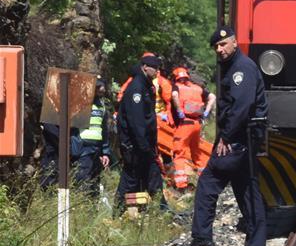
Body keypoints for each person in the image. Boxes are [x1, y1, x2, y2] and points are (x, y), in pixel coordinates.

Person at [190, 26, 268, 246]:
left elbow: (241, 107)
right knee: (248, 191)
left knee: (208, 182)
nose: (220, 50)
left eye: (223, 45)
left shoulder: (241, 69)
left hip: (236, 139)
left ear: (235, 43)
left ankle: (202, 238)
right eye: (216, 46)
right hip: (244, 139)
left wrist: (225, 136)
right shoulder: (237, 66)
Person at [115, 54, 166, 210]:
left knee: (150, 176)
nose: (157, 71)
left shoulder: (145, 85)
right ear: (145, 67)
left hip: (143, 144)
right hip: (135, 145)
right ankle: (118, 211)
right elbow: (137, 122)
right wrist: (144, 146)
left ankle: (159, 209)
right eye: (155, 68)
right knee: (131, 179)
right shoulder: (137, 88)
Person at [171, 66, 216, 190]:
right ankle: (206, 180)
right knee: (197, 153)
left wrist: (179, 111)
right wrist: (206, 112)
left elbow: (174, 95)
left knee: (179, 152)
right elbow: (213, 97)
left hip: (185, 123)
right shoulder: (197, 88)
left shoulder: (176, 87)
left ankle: (181, 186)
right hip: (197, 124)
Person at [72, 78, 112, 196]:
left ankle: (92, 209)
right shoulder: (81, 104)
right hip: (83, 147)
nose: (102, 90)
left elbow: (104, 130)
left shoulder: (102, 106)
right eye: (99, 87)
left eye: (102, 87)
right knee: (83, 180)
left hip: (97, 148)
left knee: (95, 182)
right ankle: (81, 206)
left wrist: (105, 152)